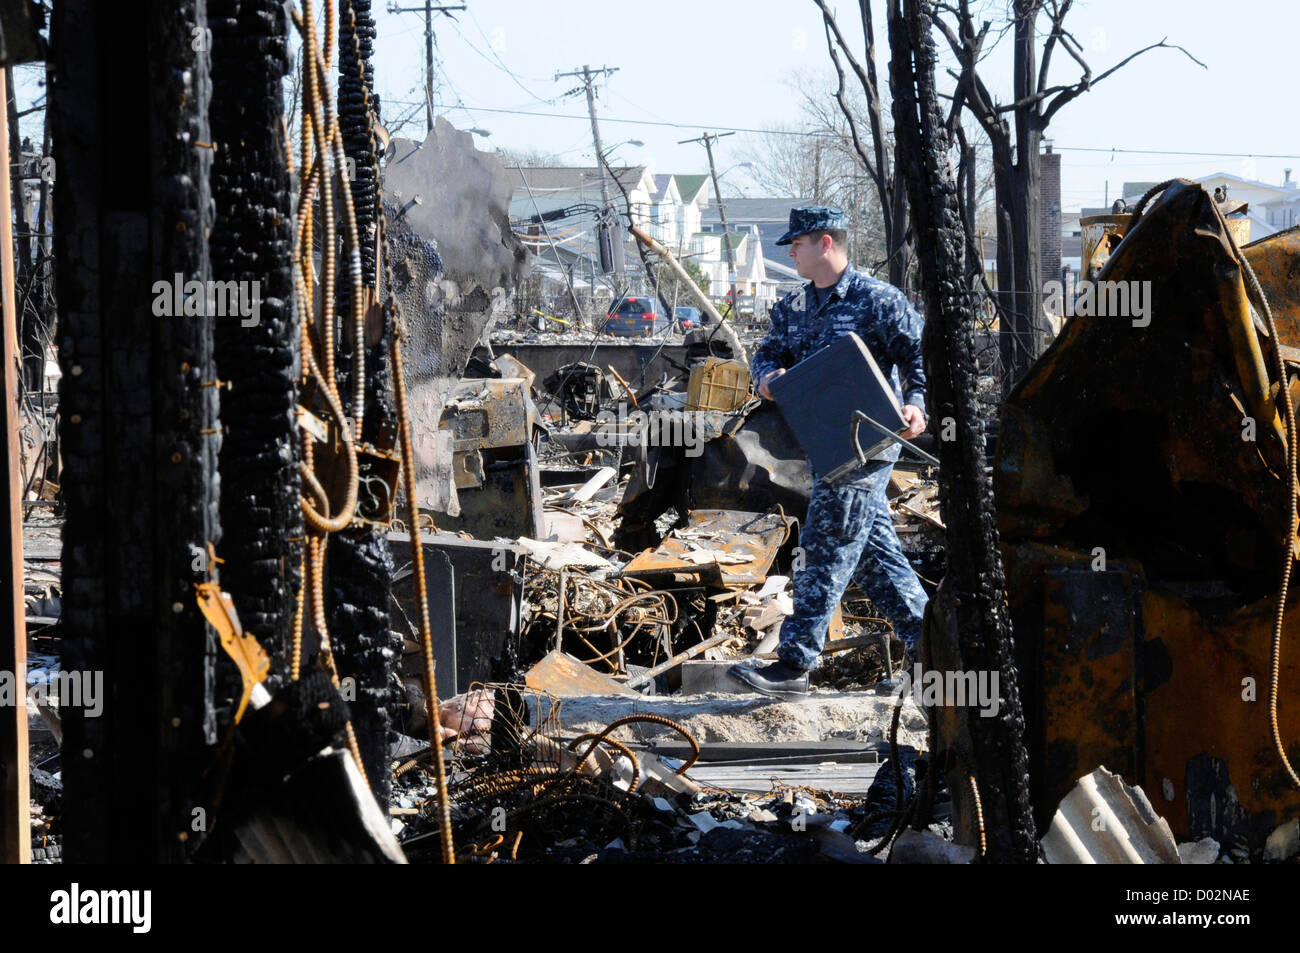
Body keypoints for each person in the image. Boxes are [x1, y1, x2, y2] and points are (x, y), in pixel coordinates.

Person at [729, 205, 929, 698]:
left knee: (826, 545)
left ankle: (795, 665)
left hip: (868, 443)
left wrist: (915, 402)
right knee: (874, 560)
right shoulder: (793, 307)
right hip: (822, 446)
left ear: (825, 243)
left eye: (796, 243)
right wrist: (767, 377)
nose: (791, 252)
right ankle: (939, 659)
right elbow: (770, 352)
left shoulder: (880, 300)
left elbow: (920, 356)